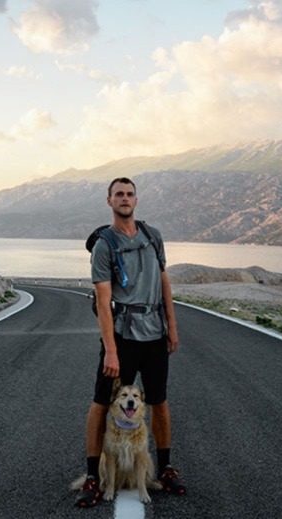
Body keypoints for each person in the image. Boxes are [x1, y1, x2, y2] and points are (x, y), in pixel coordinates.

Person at [75, 177, 186, 508]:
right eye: (118, 194)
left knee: (159, 401)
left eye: (129, 194)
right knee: (100, 401)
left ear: (136, 200)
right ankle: (94, 476)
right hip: (122, 335)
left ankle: (164, 469)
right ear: (109, 201)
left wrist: (172, 325)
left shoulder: (153, 237)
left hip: (154, 332)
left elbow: (164, 281)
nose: (125, 199)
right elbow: (104, 300)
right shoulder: (104, 245)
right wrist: (110, 349)